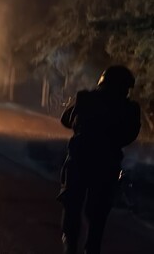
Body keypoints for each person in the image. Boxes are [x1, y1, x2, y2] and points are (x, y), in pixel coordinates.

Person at [58, 65, 141, 254]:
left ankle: (70, 247)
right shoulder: (129, 109)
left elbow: (66, 119)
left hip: (80, 160)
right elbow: (129, 135)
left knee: (72, 207)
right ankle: (89, 248)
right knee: (97, 215)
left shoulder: (86, 99)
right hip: (106, 164)